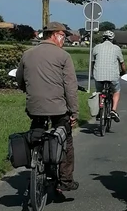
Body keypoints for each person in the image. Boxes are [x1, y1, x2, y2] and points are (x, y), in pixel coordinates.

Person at [16, 21, 80, 192]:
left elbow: (20, 81)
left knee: (36, 131)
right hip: (58, 108)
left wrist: (28, 91)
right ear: (55, 34)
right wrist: (74, 112)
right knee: (65, 139)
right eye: (63, 36)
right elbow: (70, 88)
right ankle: (65, 181)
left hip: (34, 106)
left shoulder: (27, 54)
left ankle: (35, 160)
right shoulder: (63, 56)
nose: (64, 39)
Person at [91, 30, 125, 122]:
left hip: (98, 75)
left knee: (99, 92)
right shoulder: (116, 48)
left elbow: (93, 63)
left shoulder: (96, 47)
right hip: (113, 76)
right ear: (112, 39)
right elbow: (122, 63)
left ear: (103, 38)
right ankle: (113, 110)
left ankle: (99, 110)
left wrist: (92, 73)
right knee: (116, 91)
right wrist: (123, 72)